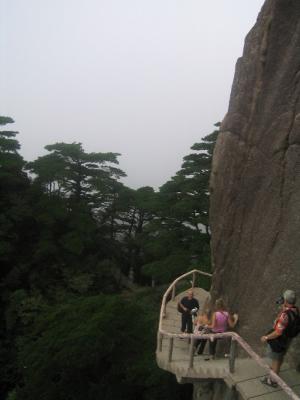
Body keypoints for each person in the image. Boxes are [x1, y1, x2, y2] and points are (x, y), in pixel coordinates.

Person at [260, 289, 299, 388]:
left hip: (280, 340)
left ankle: (272, 380)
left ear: (286, 300)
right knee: (279, 358)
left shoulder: (285, 315)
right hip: (288, 338)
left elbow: (278, 332)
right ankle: (273, 373)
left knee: (276, 360)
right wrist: (284, 309)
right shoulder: (296, 310)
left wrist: (266, 337)